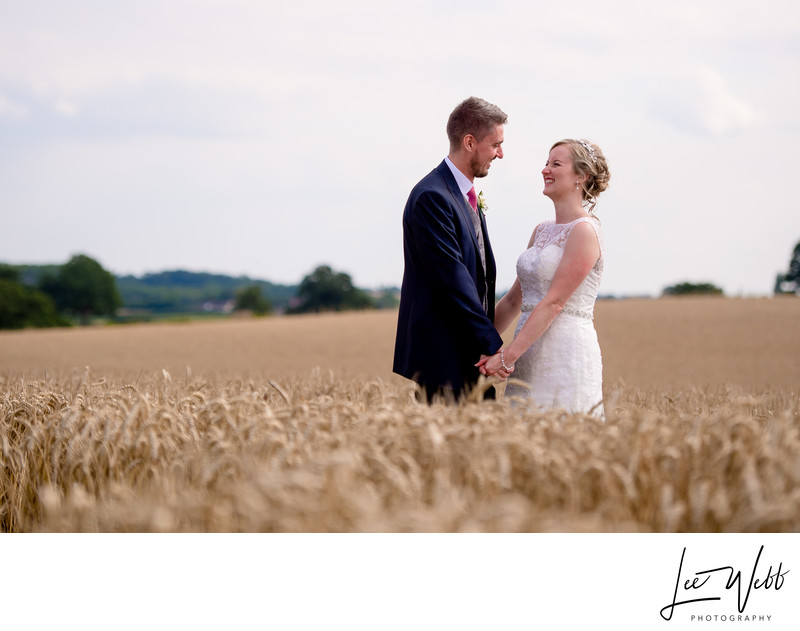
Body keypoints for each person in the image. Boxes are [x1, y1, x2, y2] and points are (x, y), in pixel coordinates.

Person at [478, 139, 610, 417]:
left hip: (564, 353)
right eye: (546, 163)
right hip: (526, 353)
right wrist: (479, 344)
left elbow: (555, 301)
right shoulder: (541, 231)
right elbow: (515, 299)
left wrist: (505, 357)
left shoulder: (585, 231)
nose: (545, 169)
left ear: (581, 176)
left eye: (556, 164)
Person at [393, 96, 511, 403]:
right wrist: (494, 345)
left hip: (468, 357)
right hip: (443, 359)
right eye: (495, 144)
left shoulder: (463, 194)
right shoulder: (433, 196)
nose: (500, 154)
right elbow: (453, 280)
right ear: (470, 142)